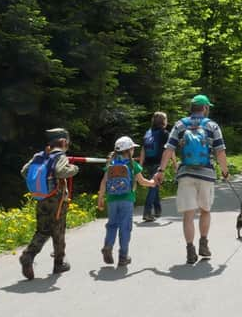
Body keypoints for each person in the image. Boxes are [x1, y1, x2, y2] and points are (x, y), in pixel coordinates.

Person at [154, 94, 229, 264]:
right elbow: (220, 152)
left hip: (186, 174)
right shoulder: (212, 125)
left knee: (188, 215)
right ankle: (203, 243)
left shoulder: (180, 125)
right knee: (205, 211)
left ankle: (190, 250)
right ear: (205, 108)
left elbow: (168, 149)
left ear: (192, 108)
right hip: (206, 174)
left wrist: (161, 170)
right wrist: (225, 171)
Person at [19, 128, 79, 280]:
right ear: (64, 142)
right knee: (58, 230)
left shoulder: (39, 156)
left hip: (41, 198)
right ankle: (59, 263)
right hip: (57, 200)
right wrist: (74, 169)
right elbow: (61, 171)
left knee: (42, 230)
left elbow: (24, 172)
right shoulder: (60, 156)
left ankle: (28, 255)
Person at [97, 136, 156, 267]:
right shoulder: (132, 164)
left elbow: (103, 182)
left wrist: (100, 198)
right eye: (132, 149)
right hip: (127, 200)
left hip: (111, 200)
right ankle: (123, 256)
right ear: (129, 150)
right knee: (125, 227)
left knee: (112, 225)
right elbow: (142, 181)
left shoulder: (111, 164)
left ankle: (108, 245)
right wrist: (152, 183)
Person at [139, 111, 169, 222]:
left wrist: (141, 165)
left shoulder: (148, 133)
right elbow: (169, 150)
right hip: (158, 163)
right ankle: (147, 211)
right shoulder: (164, 133)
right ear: (163, 121)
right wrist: (174, 164)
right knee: (153, 185)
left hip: (148, 163)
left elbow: (143, 149)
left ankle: (157, 209)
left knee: (154, 185)